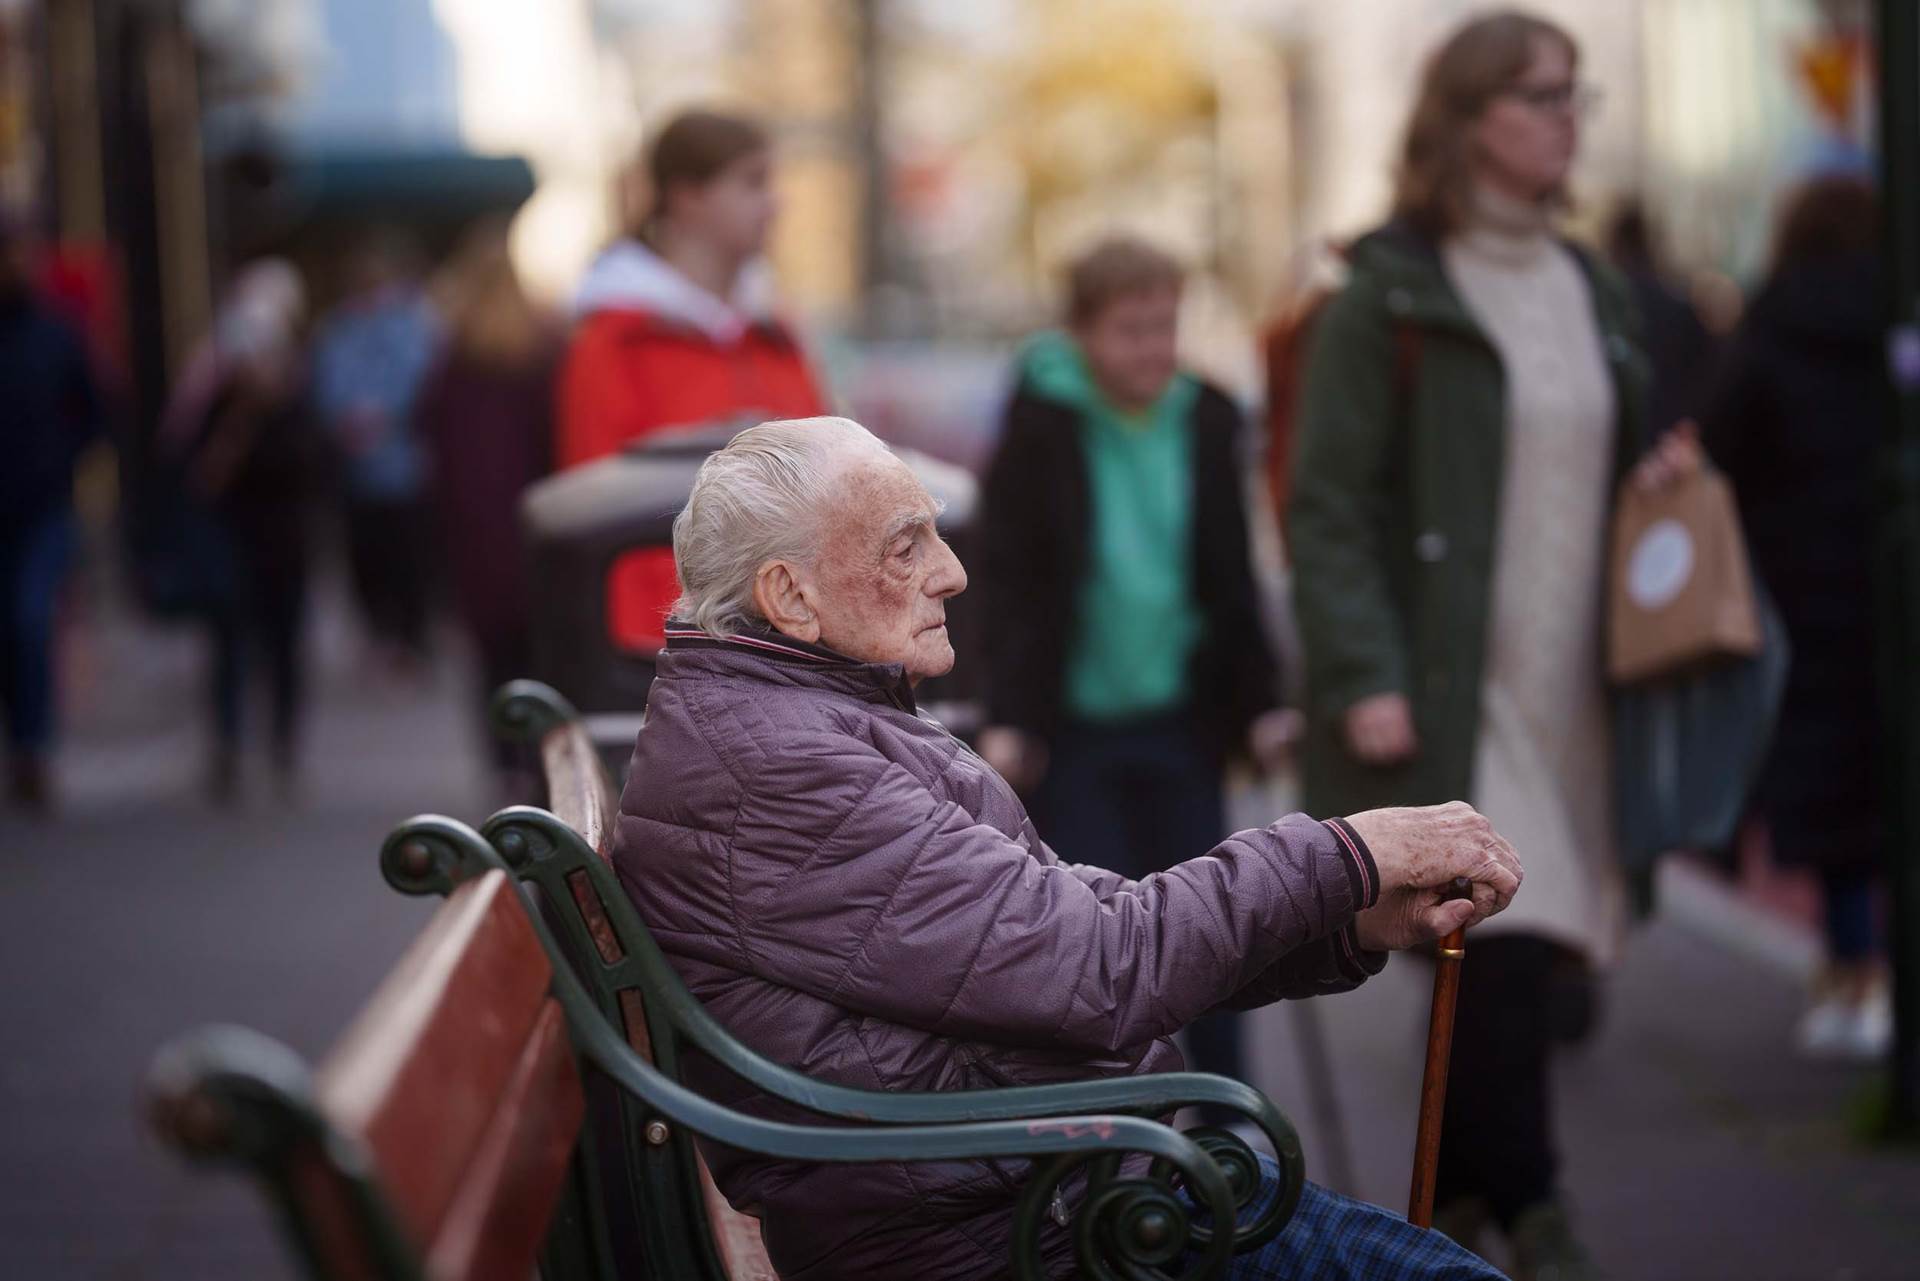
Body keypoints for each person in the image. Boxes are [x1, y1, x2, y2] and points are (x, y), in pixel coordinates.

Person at [610, 416, 1522, 1281]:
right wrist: (1344, 854)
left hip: (1040, 1187)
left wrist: (1344, 920)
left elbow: (1056, 939)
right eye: (905, 545)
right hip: (1021, 1230)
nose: (953, 571)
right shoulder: (783, 765)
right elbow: (1096, 967)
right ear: (789, 596)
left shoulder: (790, 720)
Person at [1287, 11, 1697, 1275]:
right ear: (1466, 122)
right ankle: (1536, 1208)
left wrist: (1660, 472)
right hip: (1455, 682)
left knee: (1520, 947)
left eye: (1579, 94)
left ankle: (1451, 1203)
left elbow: (1591, 454)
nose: (1569, 115)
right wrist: (1363, 673)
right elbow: (1328, 502)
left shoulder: (1593, 286)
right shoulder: (1387, 297)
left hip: (1581, 675)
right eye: (1540, 94)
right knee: (1510, 930)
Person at [975, 236, 1295, 1107]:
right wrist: (1011, 715)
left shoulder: (1207, 417)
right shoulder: (1043, 419)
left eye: (1165, 327)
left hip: (1180, 719)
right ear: (1080, 332)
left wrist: (1260, 705)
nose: (1152, 349)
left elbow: (1233, 577)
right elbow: (1012, 581)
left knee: (1220, 931)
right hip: (1072, 730)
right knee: (1103, 944)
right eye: (1129, 331)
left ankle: (1231, 1122)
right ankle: (1119, 1128)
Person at [1698, 174, 1889, 1060]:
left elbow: (1721, 454)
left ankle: (1854, 971)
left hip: (1800, 596)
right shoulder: (1893, 322)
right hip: (1890, 587)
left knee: (1833, 797)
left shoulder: (1768, 331)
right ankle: (1884, 977)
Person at [557, 108, 827, 653]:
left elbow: (829, 479)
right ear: (688, 196)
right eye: (753, 182)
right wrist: (648, 645)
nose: (775, 204)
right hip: (673, 646)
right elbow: (598, 509)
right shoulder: (614, 341)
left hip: (798, 634)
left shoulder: (777, 334)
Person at [159, 260, 315, 798]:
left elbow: (312, 465)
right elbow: (192, 470)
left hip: (284, 542)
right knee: (228, 644)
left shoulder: (295, 401)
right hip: (232, 543)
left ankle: (281, 742)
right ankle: (227, 743)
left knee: (283, 646)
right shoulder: (218, 404)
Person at [417, 223, 557, 770]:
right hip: (533, 536)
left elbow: (433, 456)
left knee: (491, 672)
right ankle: (536, 776)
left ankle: (504, 773)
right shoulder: (543, 357)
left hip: (473, 541)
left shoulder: (451, 364)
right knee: (538, 669)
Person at [0, 217, 103, 810]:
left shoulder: (56, 334)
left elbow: (94, 410)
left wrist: (60, 462)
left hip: (43, 508)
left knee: (29, 619)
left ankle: (32, 748)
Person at [311, 233, 441, 670]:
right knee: (366, 560)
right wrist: (346, 419)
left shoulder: (409, 325)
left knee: (407, 559)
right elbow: (327, 388)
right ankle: (382, 637)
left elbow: (418, 382)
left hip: (405, 470)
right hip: (359, 472)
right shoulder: (340, 330)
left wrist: (382, 414)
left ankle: (410, 640)